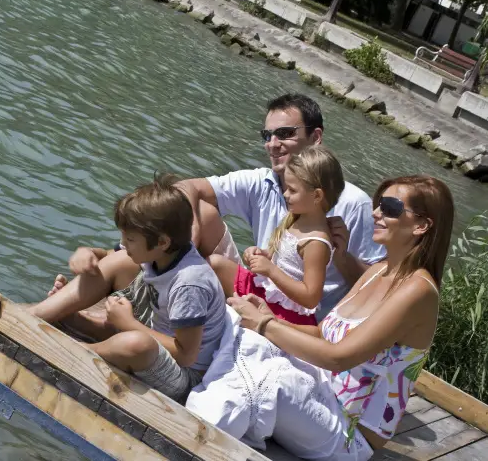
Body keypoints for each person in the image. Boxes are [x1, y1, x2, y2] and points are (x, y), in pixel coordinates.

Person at [33, 93, 385, 326]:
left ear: (316, 137)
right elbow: (189, 187)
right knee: (200, 209)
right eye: (267, 135)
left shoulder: (352, 204)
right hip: (260, 282)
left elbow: (378, 290)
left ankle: (66, 310)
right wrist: (186, 237)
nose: (273, 144)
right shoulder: (264, 181)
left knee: (159, 254)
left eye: (285, 133)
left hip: (301, 315)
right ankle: (111, 285)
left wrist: (340, 258)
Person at [186, 175, 453, 461]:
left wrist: (267, 325)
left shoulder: (418, 291)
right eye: (378, 204)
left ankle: (191, 438)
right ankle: (195, 426)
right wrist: (267, 317)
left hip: (348, 433)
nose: (375, 213)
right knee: (246, 336)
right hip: (320, 389)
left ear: (421, 225)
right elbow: (323, 334)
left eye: (389, 207)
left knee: (274, 380)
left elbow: (338, 358)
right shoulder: (379, 269)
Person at [40, 174, 227, 402]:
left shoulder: (190, 284)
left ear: (162, 242)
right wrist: (89, 253)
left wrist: (129, 324)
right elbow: (112, 256)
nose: (123, 243)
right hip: (158, 330)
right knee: (121, 260)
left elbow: (187, 355)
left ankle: (74, 349)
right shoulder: (164, 252)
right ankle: (50, 316)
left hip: (184, 376)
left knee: (137, 344)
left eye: (130, 239)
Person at [210, 145, 345, 326]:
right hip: (267, 290)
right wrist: (264, 255)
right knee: (214, 263)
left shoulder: (316, 242)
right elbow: (288, 260)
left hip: (284, 311)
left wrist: (271, 270)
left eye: (293, 190)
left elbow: (310, 297)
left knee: (215, 265)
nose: (285, 194)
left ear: (317, 195)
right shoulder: (297, 218)